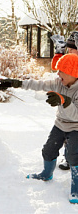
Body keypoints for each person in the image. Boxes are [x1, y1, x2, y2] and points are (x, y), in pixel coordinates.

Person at [0, 53, 78, 204]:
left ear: (73, 73)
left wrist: (64, 101)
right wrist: (17, 83)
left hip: (76, 128)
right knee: (48, 150)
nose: (58, 73)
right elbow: (39, 84)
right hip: (60, 124)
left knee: (74, 155)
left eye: (61, 71)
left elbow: (76, 116)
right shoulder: (58, 83)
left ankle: (76, 187)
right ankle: (46, 174)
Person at [51, 31, 78, 170]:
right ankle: (68, 158)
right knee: (68, 132)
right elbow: (56, 66)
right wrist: (58, 52)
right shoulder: (68, 58)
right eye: (67, 48)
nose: (69, 51)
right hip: (67, 105)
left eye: (71, 48)